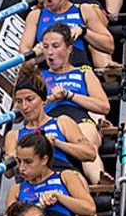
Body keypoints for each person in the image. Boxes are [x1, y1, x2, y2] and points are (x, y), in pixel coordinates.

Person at [37, 23, 111, 185]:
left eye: (56, 46)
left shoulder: (84, 72)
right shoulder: (38, 76)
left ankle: (99, 179)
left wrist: (69, 95)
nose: (50, 52)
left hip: (79, 120)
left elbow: (104, 106)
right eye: (46, 47)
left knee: (86, 140)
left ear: (69, 49)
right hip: (48, 122)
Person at [3, 129, 100, 216]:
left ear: (44, 160)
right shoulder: (15, 190)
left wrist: (59, 197)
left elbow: (90, 209)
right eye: (19, 162)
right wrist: (13, 214)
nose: (21, 168)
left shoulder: (65, 176)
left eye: (28, 162)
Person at [20, 0, 115, 69]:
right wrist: (42, 53)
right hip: (46, 73)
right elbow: (24, 58)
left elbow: (109, 46)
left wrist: (84, 32)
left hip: (77, 70)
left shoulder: (84, 10)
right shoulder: (35, 16)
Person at [3, 64, 97, 175]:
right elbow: (8, 174)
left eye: (29, 99)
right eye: (19, 101)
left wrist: (57, 143)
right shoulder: (13, 135)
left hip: (63, 180)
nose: (24, 107)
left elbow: (90, 154)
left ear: (43, 100)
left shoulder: (62, 122)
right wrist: (13, 158)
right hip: (32, 187)